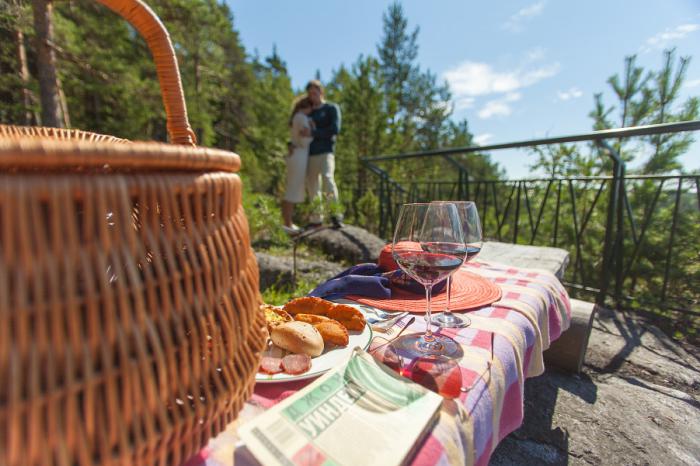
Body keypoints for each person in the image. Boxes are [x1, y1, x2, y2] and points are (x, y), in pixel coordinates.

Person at [302, 80, 342, 228]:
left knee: (328, 179)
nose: (313, 96)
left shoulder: (331, 108)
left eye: (315, 92)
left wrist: (313, 132)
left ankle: (335, 214)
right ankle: (316, 219)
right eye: (310, 93)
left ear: (321, 92)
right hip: (311, 153)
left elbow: (334, 130)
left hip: (326, 152)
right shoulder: (309, 112)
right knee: (312, 185)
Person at [281, 97, 314, 234]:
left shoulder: (296, 117)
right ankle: (287, 224)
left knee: (291, 187)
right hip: (299, 155)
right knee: (293, 189)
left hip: (295, 155)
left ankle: (288, 222)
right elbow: (305, 140)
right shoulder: (302, 118)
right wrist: (313, 129)